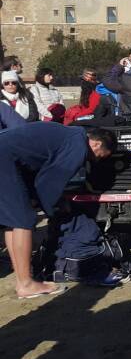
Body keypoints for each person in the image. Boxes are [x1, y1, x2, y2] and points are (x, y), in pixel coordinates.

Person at [0, 122, 114, 298]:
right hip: (4, 159)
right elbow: (49, 181)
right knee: (24, 221)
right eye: (100, 156)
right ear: (97, 144)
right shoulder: (78, 147)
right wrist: (54, 208)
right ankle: (26, 284)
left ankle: (22, 279)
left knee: (13, 222)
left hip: (6, 152)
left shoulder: (70, 134)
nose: (96, 159)